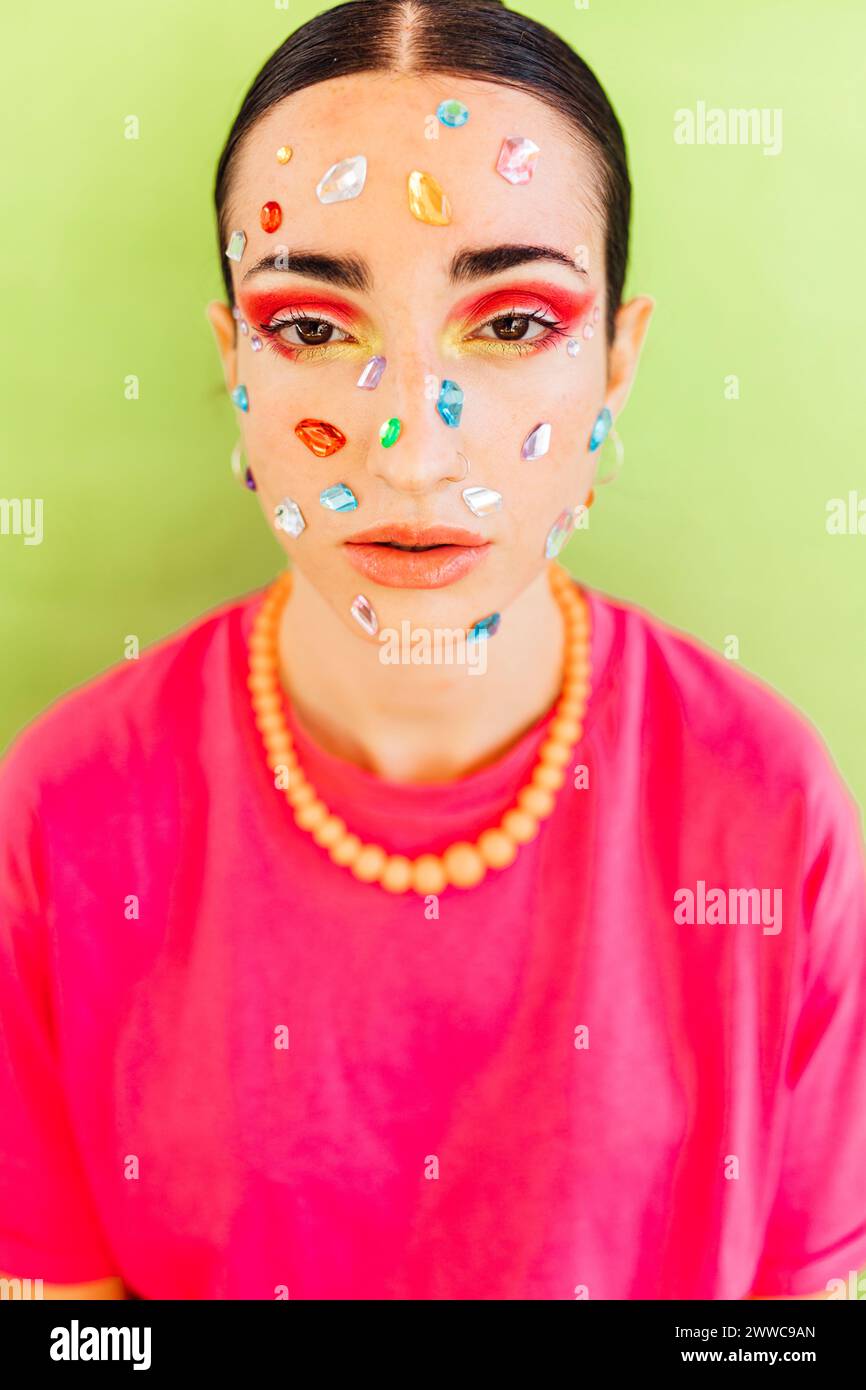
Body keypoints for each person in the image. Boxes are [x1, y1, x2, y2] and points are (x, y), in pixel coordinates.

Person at [1, 0, 864, 1301]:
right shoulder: (66, 807)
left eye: (513, 324)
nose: (412, 449)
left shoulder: (764, 805)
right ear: (232, 360)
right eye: (310, 326)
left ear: (615, 367)